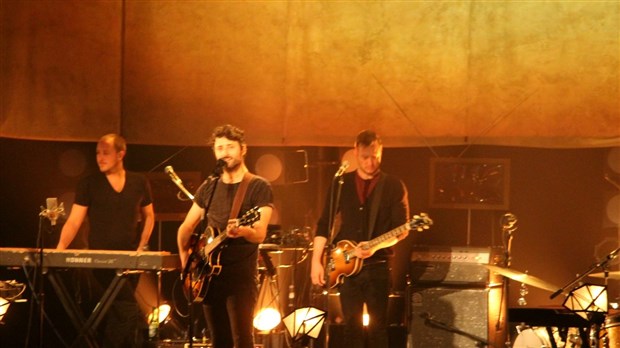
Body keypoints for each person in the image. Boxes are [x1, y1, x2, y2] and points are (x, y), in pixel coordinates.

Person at [310, 130, 410, 348]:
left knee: (378, 330)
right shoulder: (341, 183)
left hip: (378, 266)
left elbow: (401, 230)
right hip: (345, 266)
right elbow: (324, 223)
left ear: (381, 152)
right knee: (350, 328)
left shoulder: (393, 185)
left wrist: (376, 247)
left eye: (375, 156)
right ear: (356, 153)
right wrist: (316, 261)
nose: (370, 162)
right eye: (365, 157)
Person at [177, 124, 273, 348]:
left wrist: (243, 230)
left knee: (241, 340)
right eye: (219, 148)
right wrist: (186, 261)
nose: (225, 153)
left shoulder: (258, 186)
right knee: (218, 341)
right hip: (209, 278)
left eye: (230, 147)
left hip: (240, 277)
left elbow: (259, 233)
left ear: (243, 149)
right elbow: (185, 228)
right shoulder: (209, 187)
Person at [56, 133, 155, 347]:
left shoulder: (139, 182)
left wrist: (141, 246)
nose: (100, 158)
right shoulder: (89, 183)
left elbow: (149, 216)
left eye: (105, 153)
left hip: (131, 260)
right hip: (101, 260)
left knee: (119, 313)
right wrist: (60, 249)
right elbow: (74, 221)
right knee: (127, 308)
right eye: (97, 153)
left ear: (121, 154)